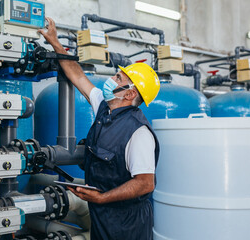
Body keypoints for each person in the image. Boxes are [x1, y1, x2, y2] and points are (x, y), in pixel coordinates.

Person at [39, 17, 160, 240]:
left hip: (126, 222)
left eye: (118, 77)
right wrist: (55, 43)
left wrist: (103, 198)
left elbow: (145, 183)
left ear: (130, 93)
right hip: (101, 212)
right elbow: (77, 75)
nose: (111, 79)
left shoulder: (138, 133)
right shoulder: (105, 108)